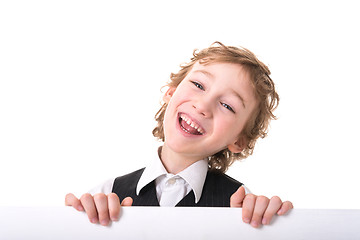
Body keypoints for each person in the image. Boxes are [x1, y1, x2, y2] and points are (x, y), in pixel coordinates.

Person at [65, 42, 293, 228]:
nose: (203, 105)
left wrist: (269, 228)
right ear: (171, 92)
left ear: (239, 140)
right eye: (198, 85)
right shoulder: (105, 195)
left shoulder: (242, 208)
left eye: (227, 105)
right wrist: (77, 224)